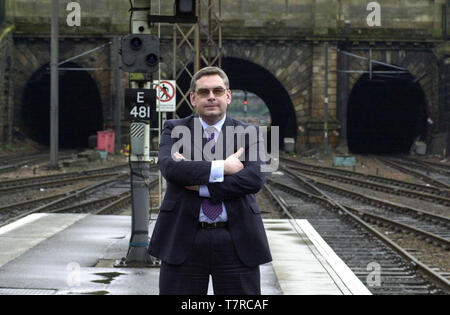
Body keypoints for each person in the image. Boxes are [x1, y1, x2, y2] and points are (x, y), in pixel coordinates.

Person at [149, 66, 272, 295]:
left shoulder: (250, 133)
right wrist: (223, 167)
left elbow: (254, 178)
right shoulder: (174, 130)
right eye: (204, 92)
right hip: (183, 237)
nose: (211, 97)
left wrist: (202, 185)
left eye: (217, 90)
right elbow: (171, 169)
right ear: (193, 98)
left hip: (237, 240)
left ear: (228, 95)